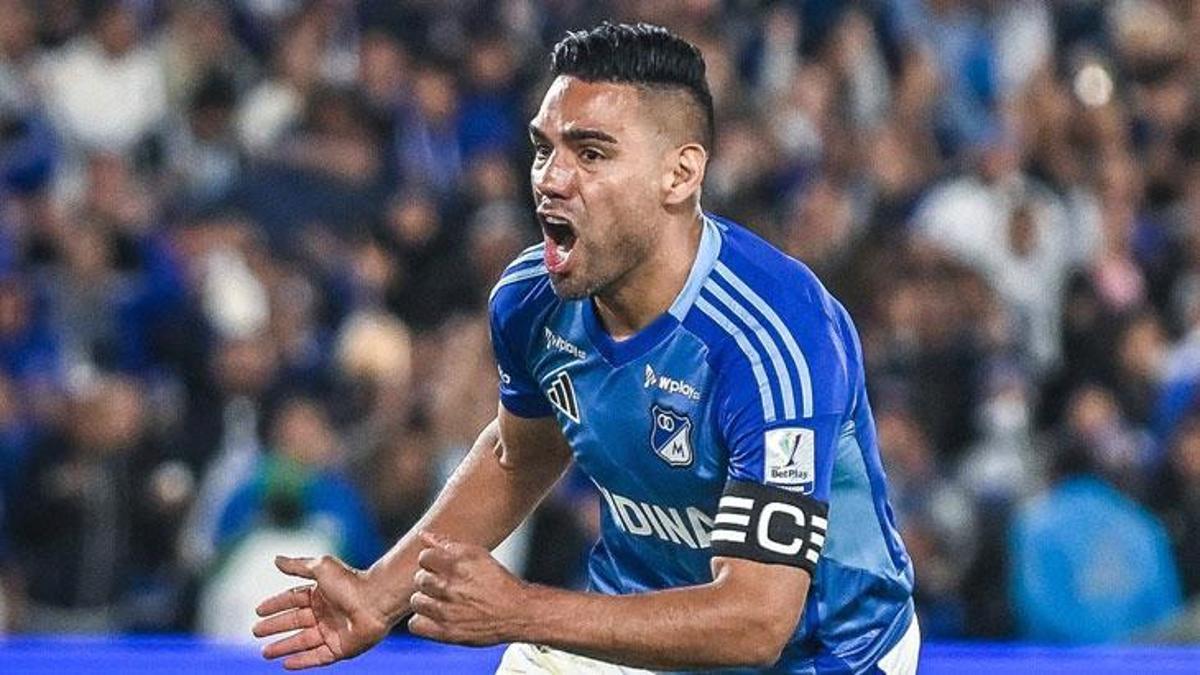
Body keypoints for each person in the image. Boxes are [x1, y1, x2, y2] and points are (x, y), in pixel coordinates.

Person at [253, 22, 917, 673]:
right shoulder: (532, 300)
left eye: (591, 154)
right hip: (638, 626)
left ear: (680, 174)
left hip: (820, 654)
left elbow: (757, 620)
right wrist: (378, 594)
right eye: (544, 149)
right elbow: (518, 455)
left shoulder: (771, 338)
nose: (551, 178)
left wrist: (520, 609)